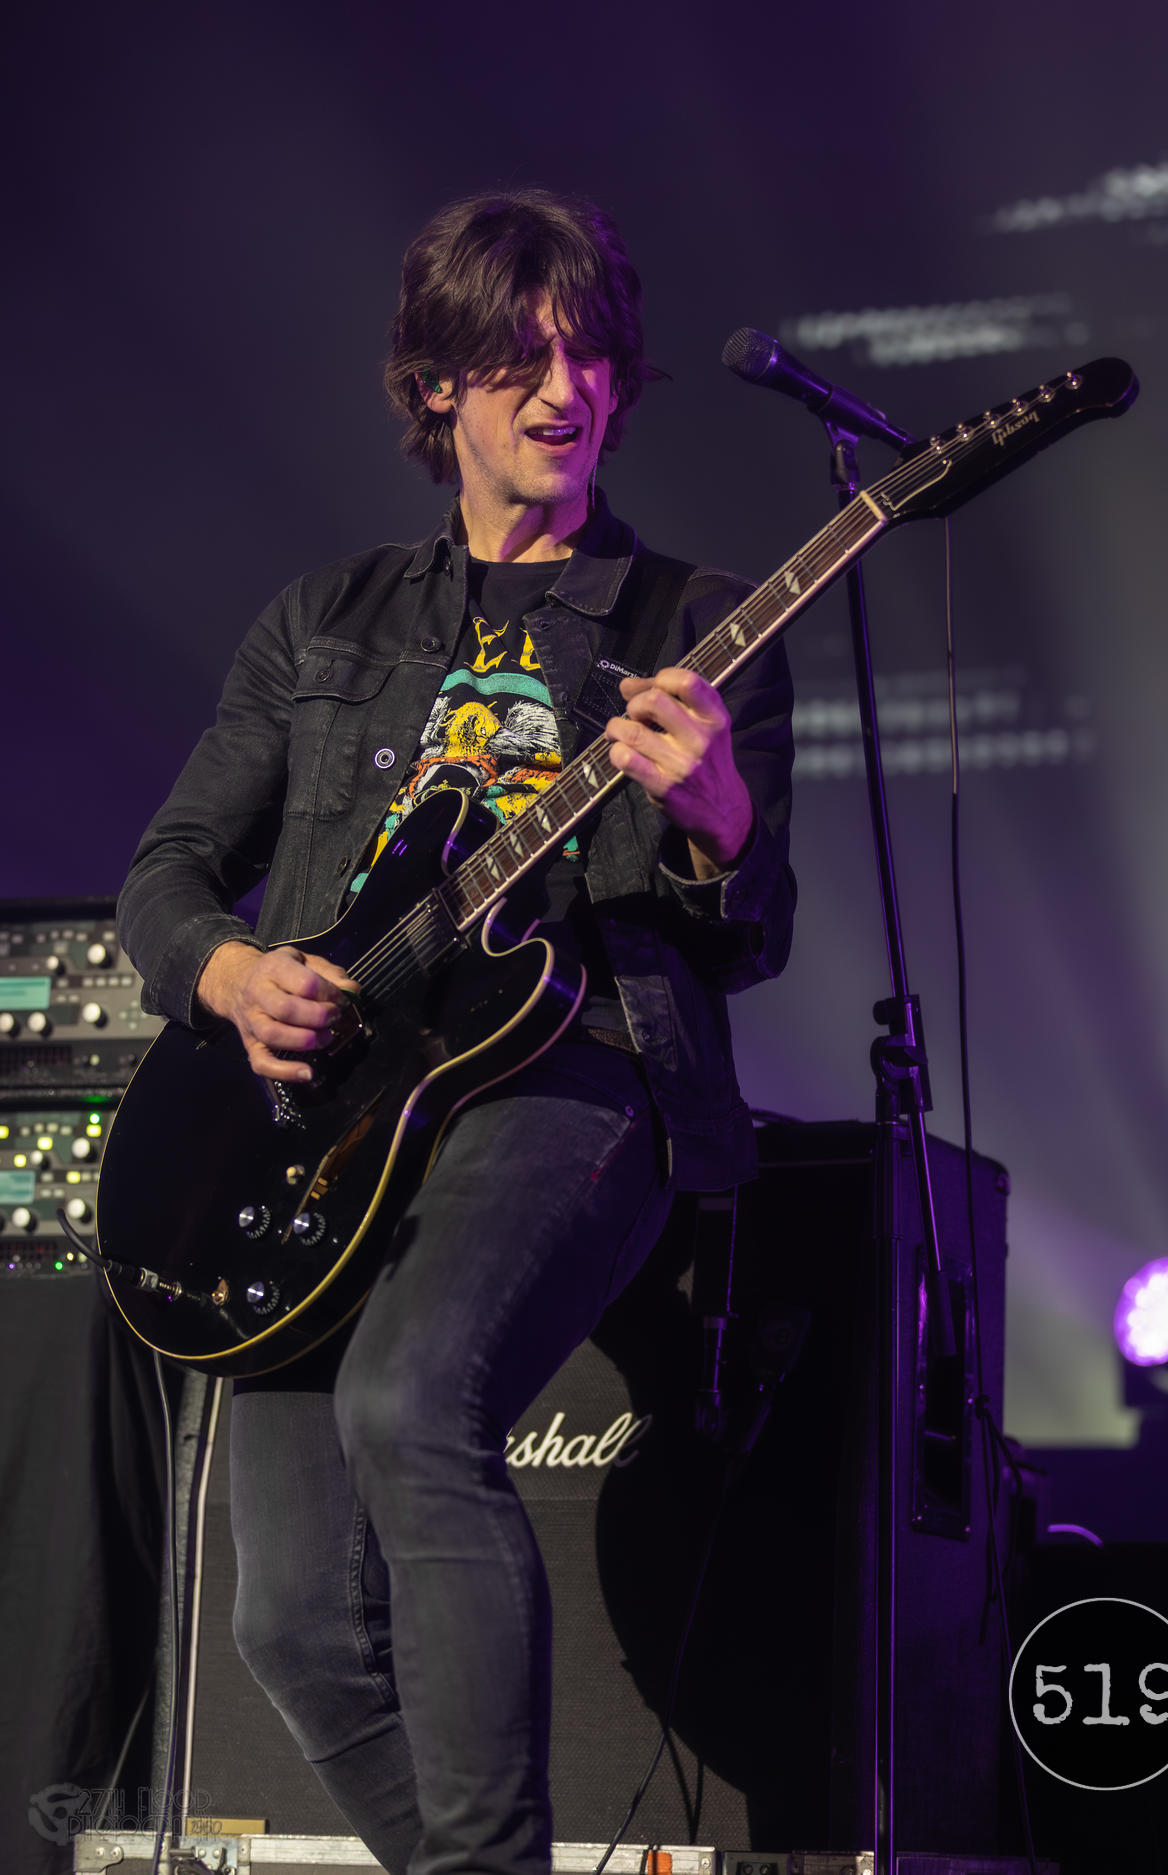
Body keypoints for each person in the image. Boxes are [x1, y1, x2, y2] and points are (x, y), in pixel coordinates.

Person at [116, 188, 795, 1875]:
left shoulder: (692, 624)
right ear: (435, 385)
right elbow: (169, 872)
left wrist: (716, 821)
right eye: (517, 358)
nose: (564, 390)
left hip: (576, 1078)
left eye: (589, 355)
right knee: (288, 1621)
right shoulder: (327, 620)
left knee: (414, 1405)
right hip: (335, 1113)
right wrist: (228, 974)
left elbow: (748, 936)